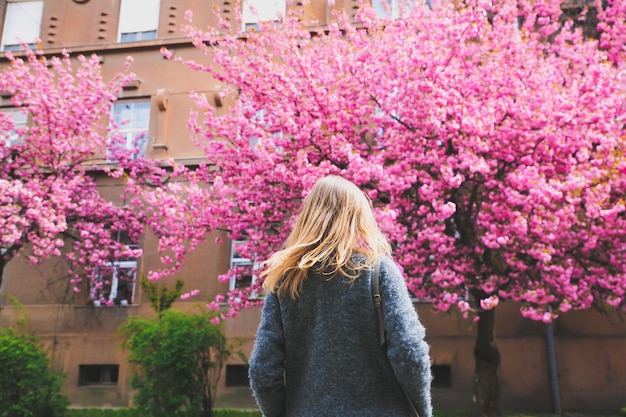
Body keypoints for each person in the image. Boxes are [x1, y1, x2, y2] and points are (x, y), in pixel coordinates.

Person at [248, 175, 433, 417]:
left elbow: (263, 369)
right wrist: (423, 411)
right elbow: (410, 353)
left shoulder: (284, 281)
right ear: (357, 218)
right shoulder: (378, 272)